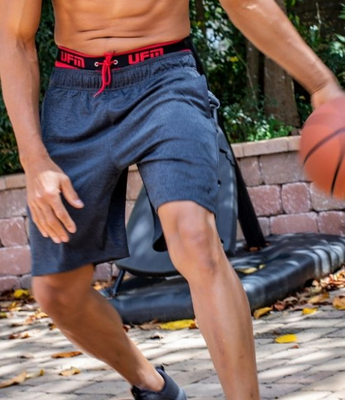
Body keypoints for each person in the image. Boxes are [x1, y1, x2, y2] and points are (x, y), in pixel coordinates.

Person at [0, 1, 344, 399]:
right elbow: (15, 37)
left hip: (165, 77)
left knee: (196, 239)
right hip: (75, 92)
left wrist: (321, 85)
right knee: (57, 292)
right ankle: (154, 386)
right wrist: (34, 159)